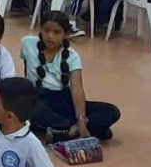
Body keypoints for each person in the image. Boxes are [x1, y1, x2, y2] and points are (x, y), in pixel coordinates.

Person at [22, 11, 121, 140]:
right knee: (34, 109)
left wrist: (81, 119)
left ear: (66, 35)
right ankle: (78, 129)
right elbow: (26, 69)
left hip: (64, 99)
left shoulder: (72, 57)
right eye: (46, 30)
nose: (50, 36)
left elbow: (76, 89)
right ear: (41, 30)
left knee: (111, 111)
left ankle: (66, 130)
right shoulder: (27, 43)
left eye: (57, 32)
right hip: (39, 98)